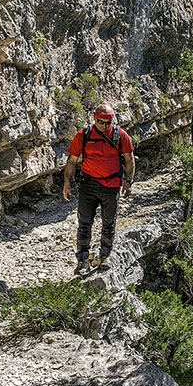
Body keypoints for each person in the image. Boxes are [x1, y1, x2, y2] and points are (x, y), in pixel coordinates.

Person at [62, 103, 135, 274]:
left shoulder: (120, 136)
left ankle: (104, 256)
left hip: (111, 187)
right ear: (94, 119)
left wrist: (129, 181)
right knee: (84, 223)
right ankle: (82, 260)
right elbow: (72, 161)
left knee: (108, 223)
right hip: (88, 185)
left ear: (112, 121)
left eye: (107, 122)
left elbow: (129, 159)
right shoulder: (84, 135)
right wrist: (66, 183)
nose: (104, 125)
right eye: (100, 122)